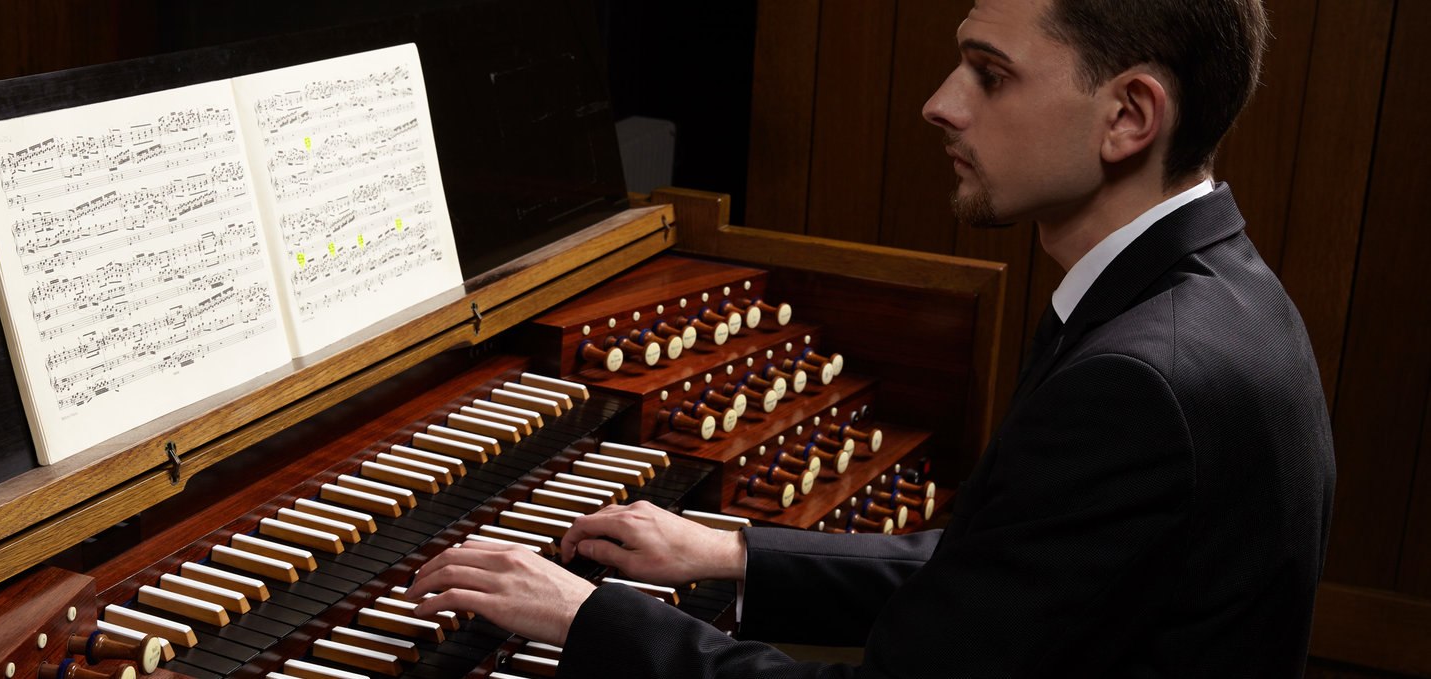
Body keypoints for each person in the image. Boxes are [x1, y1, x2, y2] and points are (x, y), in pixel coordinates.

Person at [408, 0, 1336, 675]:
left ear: (1130, 116)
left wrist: (590, 619)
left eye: (991, 72)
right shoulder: (1216, 292)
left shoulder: (1140, 378)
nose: (940, 103)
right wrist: (734, 553)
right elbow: (1008, 569)